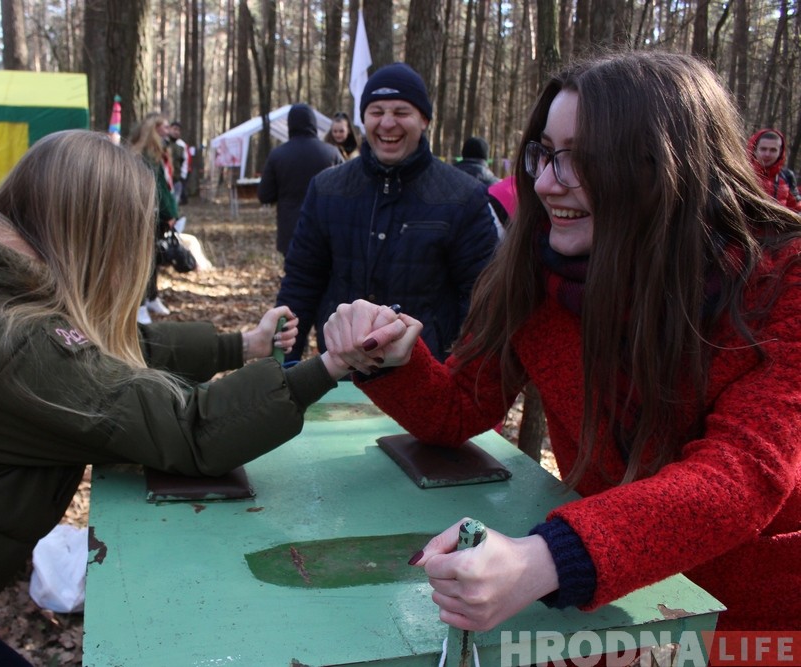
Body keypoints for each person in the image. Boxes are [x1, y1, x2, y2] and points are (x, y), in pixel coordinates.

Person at [0, 129, 357, 666]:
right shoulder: (9, 343)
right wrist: (329, 364)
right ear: (101, 237)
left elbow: (95, 349)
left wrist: (241, 345)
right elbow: (189, 429)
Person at [323, 51, 801, 633]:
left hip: (756, 622)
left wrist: (545, 557)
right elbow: (457, 408)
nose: (546, 183)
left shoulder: (781, 279)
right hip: (605, 617)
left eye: (581, 159)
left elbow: (738, 478)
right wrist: (393, 362)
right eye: (544, 154)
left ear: (668, 166)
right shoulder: (538, 270)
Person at [276, 63, 500, 362]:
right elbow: (302, 281)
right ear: (364, 119)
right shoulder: (326, 188)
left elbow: (479, 300)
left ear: (424, 120)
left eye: (401, 112)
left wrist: (462, 373)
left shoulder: (463, 196)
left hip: (424, 376)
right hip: (340, 372)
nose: (387, 123)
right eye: (377, 112)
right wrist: (284, 364)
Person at [257, 103, 343, 256]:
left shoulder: (278, 155)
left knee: (295, 277)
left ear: (290, 124)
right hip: (325, 229)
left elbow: (265, 195)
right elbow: (347, 190)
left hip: (291, 230)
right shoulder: (331, 153)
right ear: (313, 123)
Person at [131, 112, 178, 323]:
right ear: (154, 129)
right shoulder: (147, 155)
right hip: (146, 214)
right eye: (164, 127)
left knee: (152, 258)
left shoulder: (156, 152)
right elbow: (157, 188)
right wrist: (170, 213)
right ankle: (139, 304)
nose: (168, 131)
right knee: (141, 259)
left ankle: (151, 296)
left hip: (152, 214)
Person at [748, 127, 801, 212]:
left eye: (773, 150)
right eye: (763, 149)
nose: (767, 154)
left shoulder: (787, 176)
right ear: (754, 150)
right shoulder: (741, 174)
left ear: (780, 152)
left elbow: (796, 209)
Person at [168, 120, 191, 205]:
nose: (176, 132)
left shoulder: (182, 145)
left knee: (175, 201)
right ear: (170, 129)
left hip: (177, 178)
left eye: (178, 130)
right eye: (174, 129)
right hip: (165, 178)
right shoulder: (164, 142)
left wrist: (182, 177)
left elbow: (185, 161)